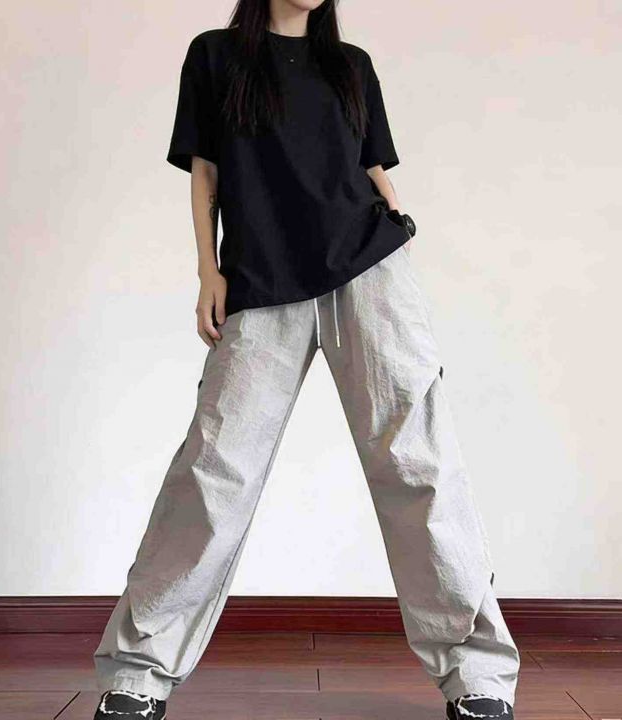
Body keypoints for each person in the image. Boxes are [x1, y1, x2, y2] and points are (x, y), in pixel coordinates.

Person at [92, 1, 520, 719]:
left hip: (371, 273)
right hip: (261, 279)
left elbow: (373, 168)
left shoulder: (351, 66)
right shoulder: (216, 55)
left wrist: (400, 231)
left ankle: (476, 672)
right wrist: (207, 271)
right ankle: (139, 670)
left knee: (419, 463)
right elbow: (205, 170)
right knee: (215, 470)